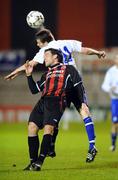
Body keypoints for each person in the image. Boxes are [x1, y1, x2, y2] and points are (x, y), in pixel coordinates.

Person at [4, 29, 105, 165]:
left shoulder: (45, 51)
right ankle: (91, 145)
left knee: (54, 115)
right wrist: (98, 53)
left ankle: (51, 147)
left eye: (39, 43)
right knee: (83, 111)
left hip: (64, 82)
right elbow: (84, 50)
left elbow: (29, 65)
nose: (39, 46)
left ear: (45, 42)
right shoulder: (67, 42)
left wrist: (14, 73)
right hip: (72, 82)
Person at [24, 48, 97, 171]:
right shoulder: (46, 74)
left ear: (55, 57)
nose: (44, 58)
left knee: (49, 129)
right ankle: (32, 162)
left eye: (46, 55)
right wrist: (28, 75)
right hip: (43, 101)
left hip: (56, 101)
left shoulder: (69, 69)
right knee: (32, 127)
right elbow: (34, 90)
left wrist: (83, 103)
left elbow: (78, 85)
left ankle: (39, 162)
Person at [101, 55, 118, 151]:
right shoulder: (111, 71)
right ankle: (113, 144)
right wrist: (110, 88)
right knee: (115, 122)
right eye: (116, 58)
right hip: (115, 99)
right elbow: (104, 85)